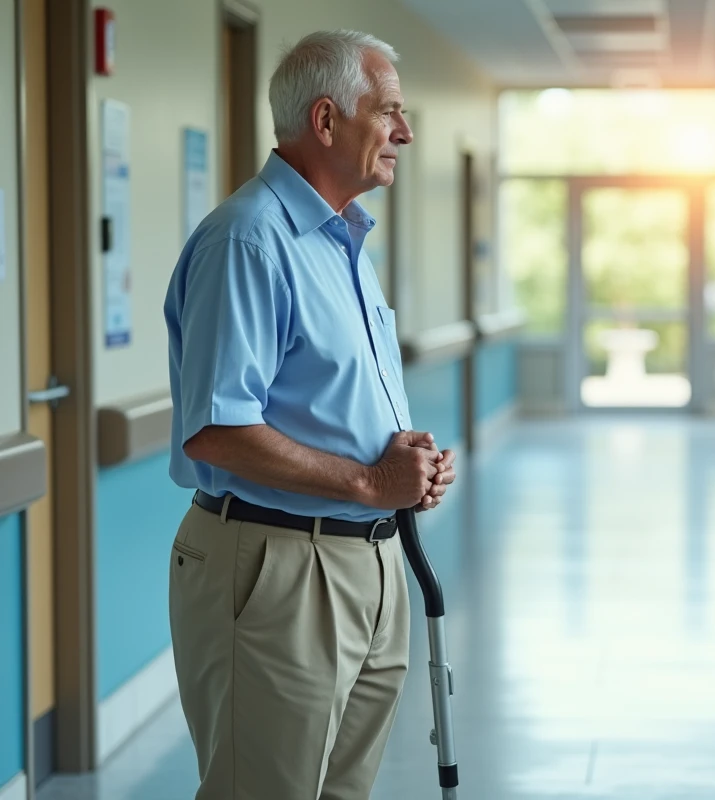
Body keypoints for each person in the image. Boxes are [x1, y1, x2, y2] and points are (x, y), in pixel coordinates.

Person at [163, 29, 453, 799]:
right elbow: (217, 430)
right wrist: (367, 480)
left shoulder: (343, 242)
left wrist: (405, 466)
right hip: (279, 567)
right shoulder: (250, 241)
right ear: (327, 122)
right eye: (389, 111)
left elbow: (327, 400)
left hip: (370, 562)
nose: (406, 132)